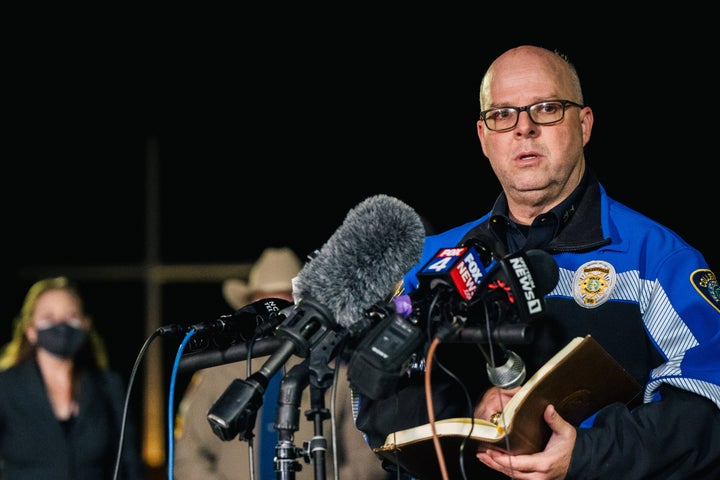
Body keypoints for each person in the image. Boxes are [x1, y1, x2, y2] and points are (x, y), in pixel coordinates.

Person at [354, 45, 720, 479]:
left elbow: (708, 409)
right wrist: (474, 414)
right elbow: (375, 405)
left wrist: (586, 454)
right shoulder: (431, 261)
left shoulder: (658, 259)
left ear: (583, 125)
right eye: (503, 115)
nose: (524, 128)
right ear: (483, 138)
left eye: (547, 109)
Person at [173, 246, 392, 479]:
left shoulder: (336, 374)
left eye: (285, 299)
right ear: (250, 305)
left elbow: (368, 462)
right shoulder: (216, 371)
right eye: (266, 301)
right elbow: (188, 457)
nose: (276, 311)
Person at [0, 276, 144, 480]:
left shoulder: (108, 386)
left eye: (71, 316)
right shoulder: (6, 387)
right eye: (49, 317)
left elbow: (130, 463)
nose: (61, 325)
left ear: (85, 325)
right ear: (30, 329)